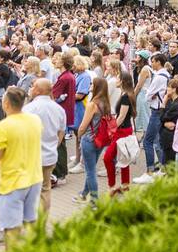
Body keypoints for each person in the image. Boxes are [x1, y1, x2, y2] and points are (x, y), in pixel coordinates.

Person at [0, 87, 42, 248]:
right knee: (31, 223)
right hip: (34, 179)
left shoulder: (3, 127)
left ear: (6, 103)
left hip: (13, 183)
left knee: (11, 230)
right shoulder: (35, 120)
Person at [23, 78, 67, 213]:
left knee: (29, 189)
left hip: (32, 156)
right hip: (49, 155)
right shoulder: (59, 109)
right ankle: (43, 218)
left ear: (37, 90)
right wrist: (53, 146)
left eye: (32, 87)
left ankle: (31, 219)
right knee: (45, 188)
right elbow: (61, 133)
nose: (30, 89)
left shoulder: (29, 108)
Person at [75, 76, 112, 204]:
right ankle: (84, 193)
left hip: (89, 139)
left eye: (92, 84)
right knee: (91, 167)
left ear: (96, 87)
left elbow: (83, 126)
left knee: (90, 171)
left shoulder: (92, 104)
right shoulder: (106, 102)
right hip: (100, 140)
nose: (90, 85)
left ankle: (94, 200)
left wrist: (79, 136)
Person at [135, 53, 169, 185]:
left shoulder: (159, 76)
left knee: (149, 141)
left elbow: (148, 95)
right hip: (160, 109)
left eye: (153, 61)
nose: (152, 64)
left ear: (158, 62)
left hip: (157, 110)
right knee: (157, 140)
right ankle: (163, 167)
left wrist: (152, 95)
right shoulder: (165, 74)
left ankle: (150, 171)